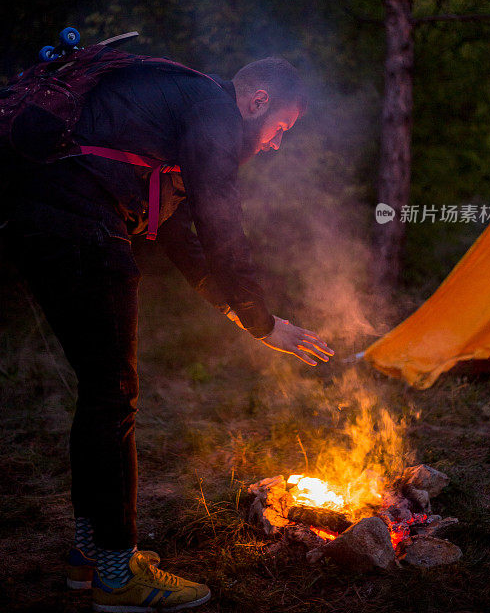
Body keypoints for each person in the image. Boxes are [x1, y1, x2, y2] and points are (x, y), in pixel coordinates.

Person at [5, 54, 333, 611]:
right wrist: (261, 317)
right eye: (281, 128)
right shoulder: (213, 111)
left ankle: (91, 559)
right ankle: (117, 574)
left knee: (102, 395)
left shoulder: (178, 119)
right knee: (113, 397)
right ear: (256, 101)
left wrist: (240, 316)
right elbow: (219, 214)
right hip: (79, 225)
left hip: (45, 219)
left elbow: (180, 233)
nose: (277, 144)